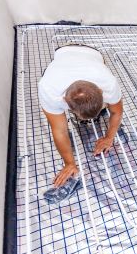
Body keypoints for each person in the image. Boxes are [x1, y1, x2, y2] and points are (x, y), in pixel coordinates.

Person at [38, 45, 123, 188]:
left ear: (102, 92)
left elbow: (117, 112)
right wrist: (69, 163)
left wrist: (109, 138)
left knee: (110, 103)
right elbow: (59, 130)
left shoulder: (108, 83)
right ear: (64, 101)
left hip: (93, 54)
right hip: (62, 52)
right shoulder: (49, 89)